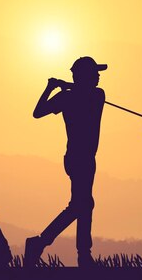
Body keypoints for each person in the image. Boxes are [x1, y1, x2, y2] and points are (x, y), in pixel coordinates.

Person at [24, 56, 107, 268]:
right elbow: (36, 114)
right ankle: (43, 243)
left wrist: (52, 88)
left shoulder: (73, 97)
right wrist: (61, 87)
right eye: (95, 73)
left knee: (84, 204)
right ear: (86, 77)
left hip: (81, 158)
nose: (98, 77)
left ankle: (82, 255)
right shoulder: (91, 95)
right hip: (81, 158)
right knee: (81, 205)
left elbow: (39, 110)